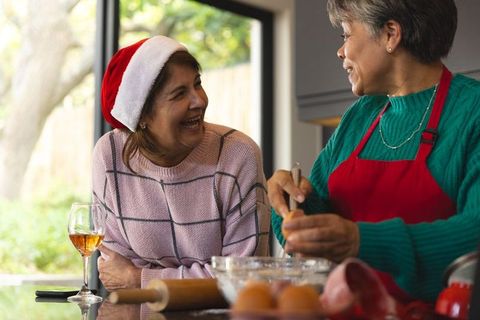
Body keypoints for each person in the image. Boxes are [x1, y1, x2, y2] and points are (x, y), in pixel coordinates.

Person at [269, 0, 480, 303]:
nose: (341, 52)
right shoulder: (360, 116)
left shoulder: (472, 110)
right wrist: (290, 205)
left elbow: (475, 232)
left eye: (345, 35)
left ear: (391, 34)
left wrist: (359, 241)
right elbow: (315, 223)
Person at [93, 35, 270, 291]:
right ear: (142, 115)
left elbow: (242, 278)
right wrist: (203, 276)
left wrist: (140, 278)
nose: (199, 101)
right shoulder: (109, 156)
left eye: (197, 84)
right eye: (179, 94)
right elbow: (115, 272)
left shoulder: (237, 155)